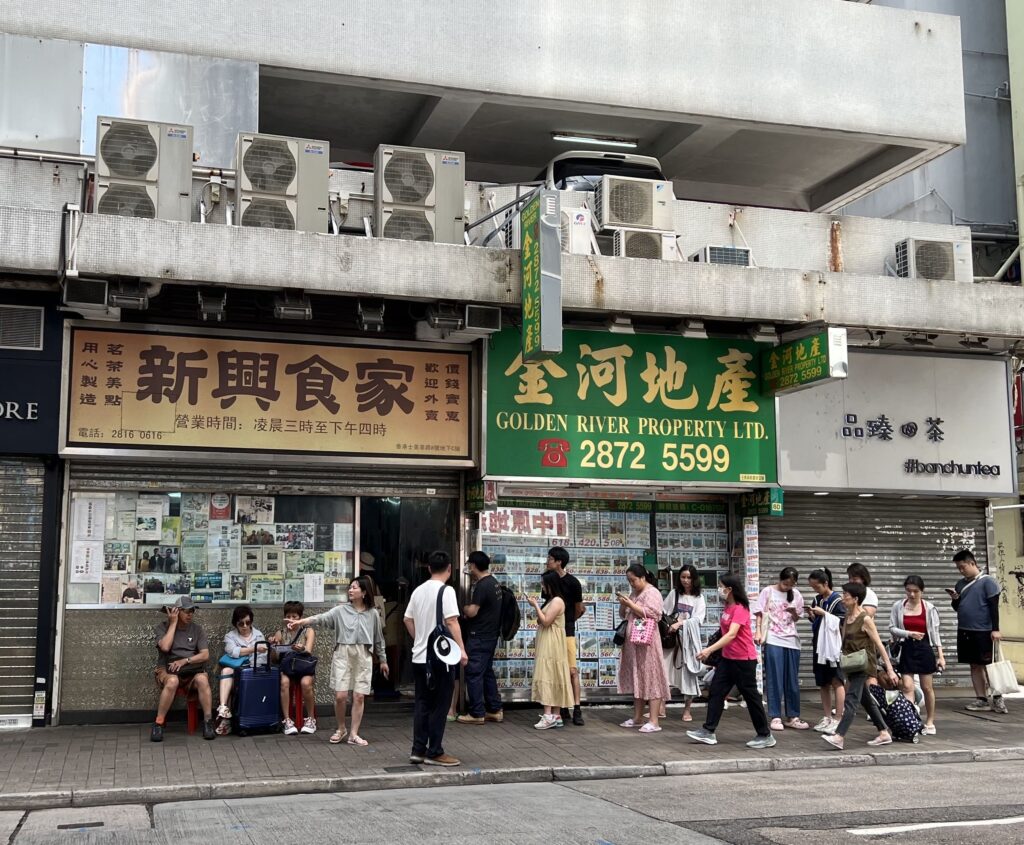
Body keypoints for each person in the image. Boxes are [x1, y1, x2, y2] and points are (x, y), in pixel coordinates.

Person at [289, 577, 386, 745]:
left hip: (363, 654)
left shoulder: (373, 614)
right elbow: (320, 618)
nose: (350, 590)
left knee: (359, 696)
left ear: (363, 592)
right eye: (350, 587)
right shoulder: (340, 611)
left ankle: (354, 734)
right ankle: (341, 728)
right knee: (340, 695)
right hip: (342, 652)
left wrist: (383, 659)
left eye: (355, 588)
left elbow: (378, 638)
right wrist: (300, 622)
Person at [686, 575, 775, 748]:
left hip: (743, 660)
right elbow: (723, 632)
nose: (719, 590)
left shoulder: (740, 608)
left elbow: (732, 634)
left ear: (730, 589)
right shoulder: (728, 606)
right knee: (716, 692)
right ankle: (708, 731)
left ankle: (765, 734)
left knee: (751, 698)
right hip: (728, 659)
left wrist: (709, 650)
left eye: (721, 587)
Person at [404, 550, 467, 766]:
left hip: (420, 658)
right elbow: (452, 622)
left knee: (422, 703)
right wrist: (461, 650)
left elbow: (407, 620)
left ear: (429, 568)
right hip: (440, 659)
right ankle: (435, 751)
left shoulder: (418, 591)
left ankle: (417, 750)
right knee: (441, 705)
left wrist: (420, 639)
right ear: (449, 569)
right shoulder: (446, 591)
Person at [823, 582, 899, 750]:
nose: (843, 598)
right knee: (866, 700)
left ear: (855, 599)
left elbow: (879, 645)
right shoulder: (847, 618)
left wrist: (890, 669)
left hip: (864, 664)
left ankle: (839, 736)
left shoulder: (865, 619)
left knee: (851, 700)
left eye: (846, 595)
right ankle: (884, 732)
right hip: (851, 664)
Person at [949, 549, 1006, 714]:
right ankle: (981, 699)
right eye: (958, 568)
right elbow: (957, 607)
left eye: (963, 566)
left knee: (989, 665)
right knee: (974, 665)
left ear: (972, 563)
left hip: (984, 630)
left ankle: (998, 698)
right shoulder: (960, 584)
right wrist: (955, 599)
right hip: (965, 630)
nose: (961, 570)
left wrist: (995, 629)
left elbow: (993, 607)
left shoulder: (988, 582)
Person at [151, 595, 214, 742]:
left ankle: (208, 722)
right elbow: (165, 647)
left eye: (192, 611)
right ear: (176, 612)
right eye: (186, 611)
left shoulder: (197, 630)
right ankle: (158, 723)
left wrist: (185, 661)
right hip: (167, 670)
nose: (190, 614)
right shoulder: (162, 627)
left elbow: (205, 655)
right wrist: (172, 624)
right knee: (172, 681)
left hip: (190, 669)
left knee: (203, 680)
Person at [617, 564, 671, 733]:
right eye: (629, 581)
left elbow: (654, 614)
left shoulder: (652, 592)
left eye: (633, 580)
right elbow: (624, 614)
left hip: (648, 644)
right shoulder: (635, 593)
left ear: (642, 578)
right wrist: (624, 604)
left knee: (652, 677)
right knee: (638, 678)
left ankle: (654, 721)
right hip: (634, 644)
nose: (631, 584)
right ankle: (638, 717)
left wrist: (631, 605)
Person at [889, 575, 945, 734]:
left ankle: (930, 722)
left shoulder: (929, 608)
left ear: (922, 591)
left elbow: (935, 633)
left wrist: (940, 655)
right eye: (908, 591)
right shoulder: (898, 606)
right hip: (906, 648)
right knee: (907, 686)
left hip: (924, 648)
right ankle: (911, 721)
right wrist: (908, 634)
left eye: (916, 591)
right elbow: (892, 627)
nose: (912, 594)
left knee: (927, 688)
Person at [755, 566, 809, 732]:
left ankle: (793, 716)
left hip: (792, 640)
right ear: (780, 579)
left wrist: (794, 613)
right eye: (785, 583)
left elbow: (797, 618)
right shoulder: (768, 591)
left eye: (791, 584)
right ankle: (775, 715)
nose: (787, 587)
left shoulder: (797, 595)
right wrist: (757, 631)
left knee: (792, 680)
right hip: (773, 638)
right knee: (774, 678)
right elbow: (759, 613)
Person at [457, 551, 505, 725]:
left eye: (470, 564)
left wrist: (464, 608)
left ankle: (477, 713)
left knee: (474, 673)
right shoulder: (494, 583)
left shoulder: (482, 585)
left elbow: (473, 611)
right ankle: (494, 709)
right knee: (486, 673)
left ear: (474, 566)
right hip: (491, 635)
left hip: (479, 636)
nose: (469, 567)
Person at [527, 569, 575, 729]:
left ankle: (548, 715)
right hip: (550, 640)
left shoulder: (556, 601)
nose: (542, 587)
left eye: (544, 584)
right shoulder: (553, 600)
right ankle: (556, 715)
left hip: (551, 642)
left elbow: (546, 621)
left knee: (549, 673)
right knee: (554, 674)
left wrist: (535, 606)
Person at [215, 604, 268, 735]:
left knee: (234, 673)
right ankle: (223, 707)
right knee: (226, 671)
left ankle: (227, 720)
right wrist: (253, 649)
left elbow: (262, 658)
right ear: (235, 623)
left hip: (252, 673)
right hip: (237, 674)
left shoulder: (258, 635)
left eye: (248, 622)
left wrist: (244, 653)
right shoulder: (230, 636)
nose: (245, 626)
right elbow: (233, 652)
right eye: (241, 623)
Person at [546, 547, 585, 726]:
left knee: (571, 671)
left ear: (559, 562)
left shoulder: (573, 582)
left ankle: (577, 708)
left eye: (550, 558)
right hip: (553, 632)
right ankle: (562, 707)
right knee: (555, 670)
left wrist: (568, 621)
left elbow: (579, 608)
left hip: (567, 631)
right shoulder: (548, 580)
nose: (548, 561)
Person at [662, 564, 706, 722]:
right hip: (672, 641)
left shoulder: (699, 598)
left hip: (689, 641)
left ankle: (687, 709)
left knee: (688, 673)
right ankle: (661, 707)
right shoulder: (674, 594)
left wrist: (681, 624)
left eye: (689, 577)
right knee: (665, 671)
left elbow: (698, 619)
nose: (686, 580)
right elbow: (664, 612)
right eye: (683, 577)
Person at [806, 567, 845, 734]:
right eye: (813, 587)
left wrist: (824, 614)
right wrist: (812, 615)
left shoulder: (838, 600)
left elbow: (842, 622)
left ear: (826, 583)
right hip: (819, 645)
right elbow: (817, 622)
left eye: (817, 586)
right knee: (823, 682)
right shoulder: (817, 599)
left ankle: (839, 717)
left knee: (837, 681)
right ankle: (827, 716)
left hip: (833, 646)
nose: (815, 590)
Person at [270, 601, 317, 736]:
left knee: (306, 683)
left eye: (295, 616)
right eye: (288, 616)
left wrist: (302, 648)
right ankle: (287, 720)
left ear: (300, 617)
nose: (291, 619)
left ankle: (311, 719)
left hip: (303, 664)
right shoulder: (280, 633)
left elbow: (308, 650)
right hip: (287, 666)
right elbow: (274, 659)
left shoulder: (308, 631)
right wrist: (274, 645)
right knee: (284, 683)